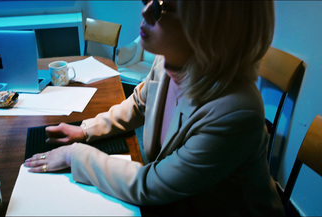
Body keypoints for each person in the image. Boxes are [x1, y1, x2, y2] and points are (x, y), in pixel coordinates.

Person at [25, 0, 285, 215]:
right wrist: (86, 130)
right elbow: (139, 104)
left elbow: (149, 184)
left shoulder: (235, 112)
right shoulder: (169, 61)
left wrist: (75, 155)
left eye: (162, 7)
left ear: (210, 29)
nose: (145, 10)